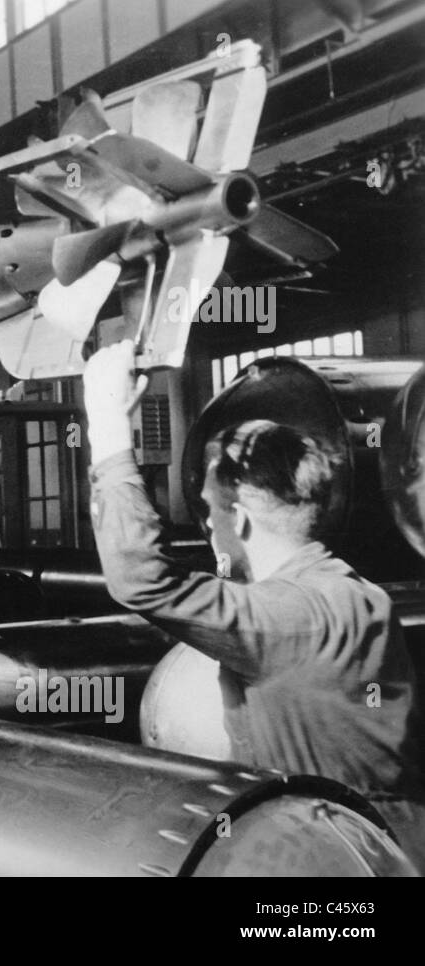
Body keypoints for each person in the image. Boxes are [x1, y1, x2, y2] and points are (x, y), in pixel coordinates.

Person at [83, 339, 425, 869]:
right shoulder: (362, 596)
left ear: (238, 521)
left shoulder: (289, 621)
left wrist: (106, 424)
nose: (208, 525)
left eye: (210, 511)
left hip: (329, 862)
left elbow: (140, 578)